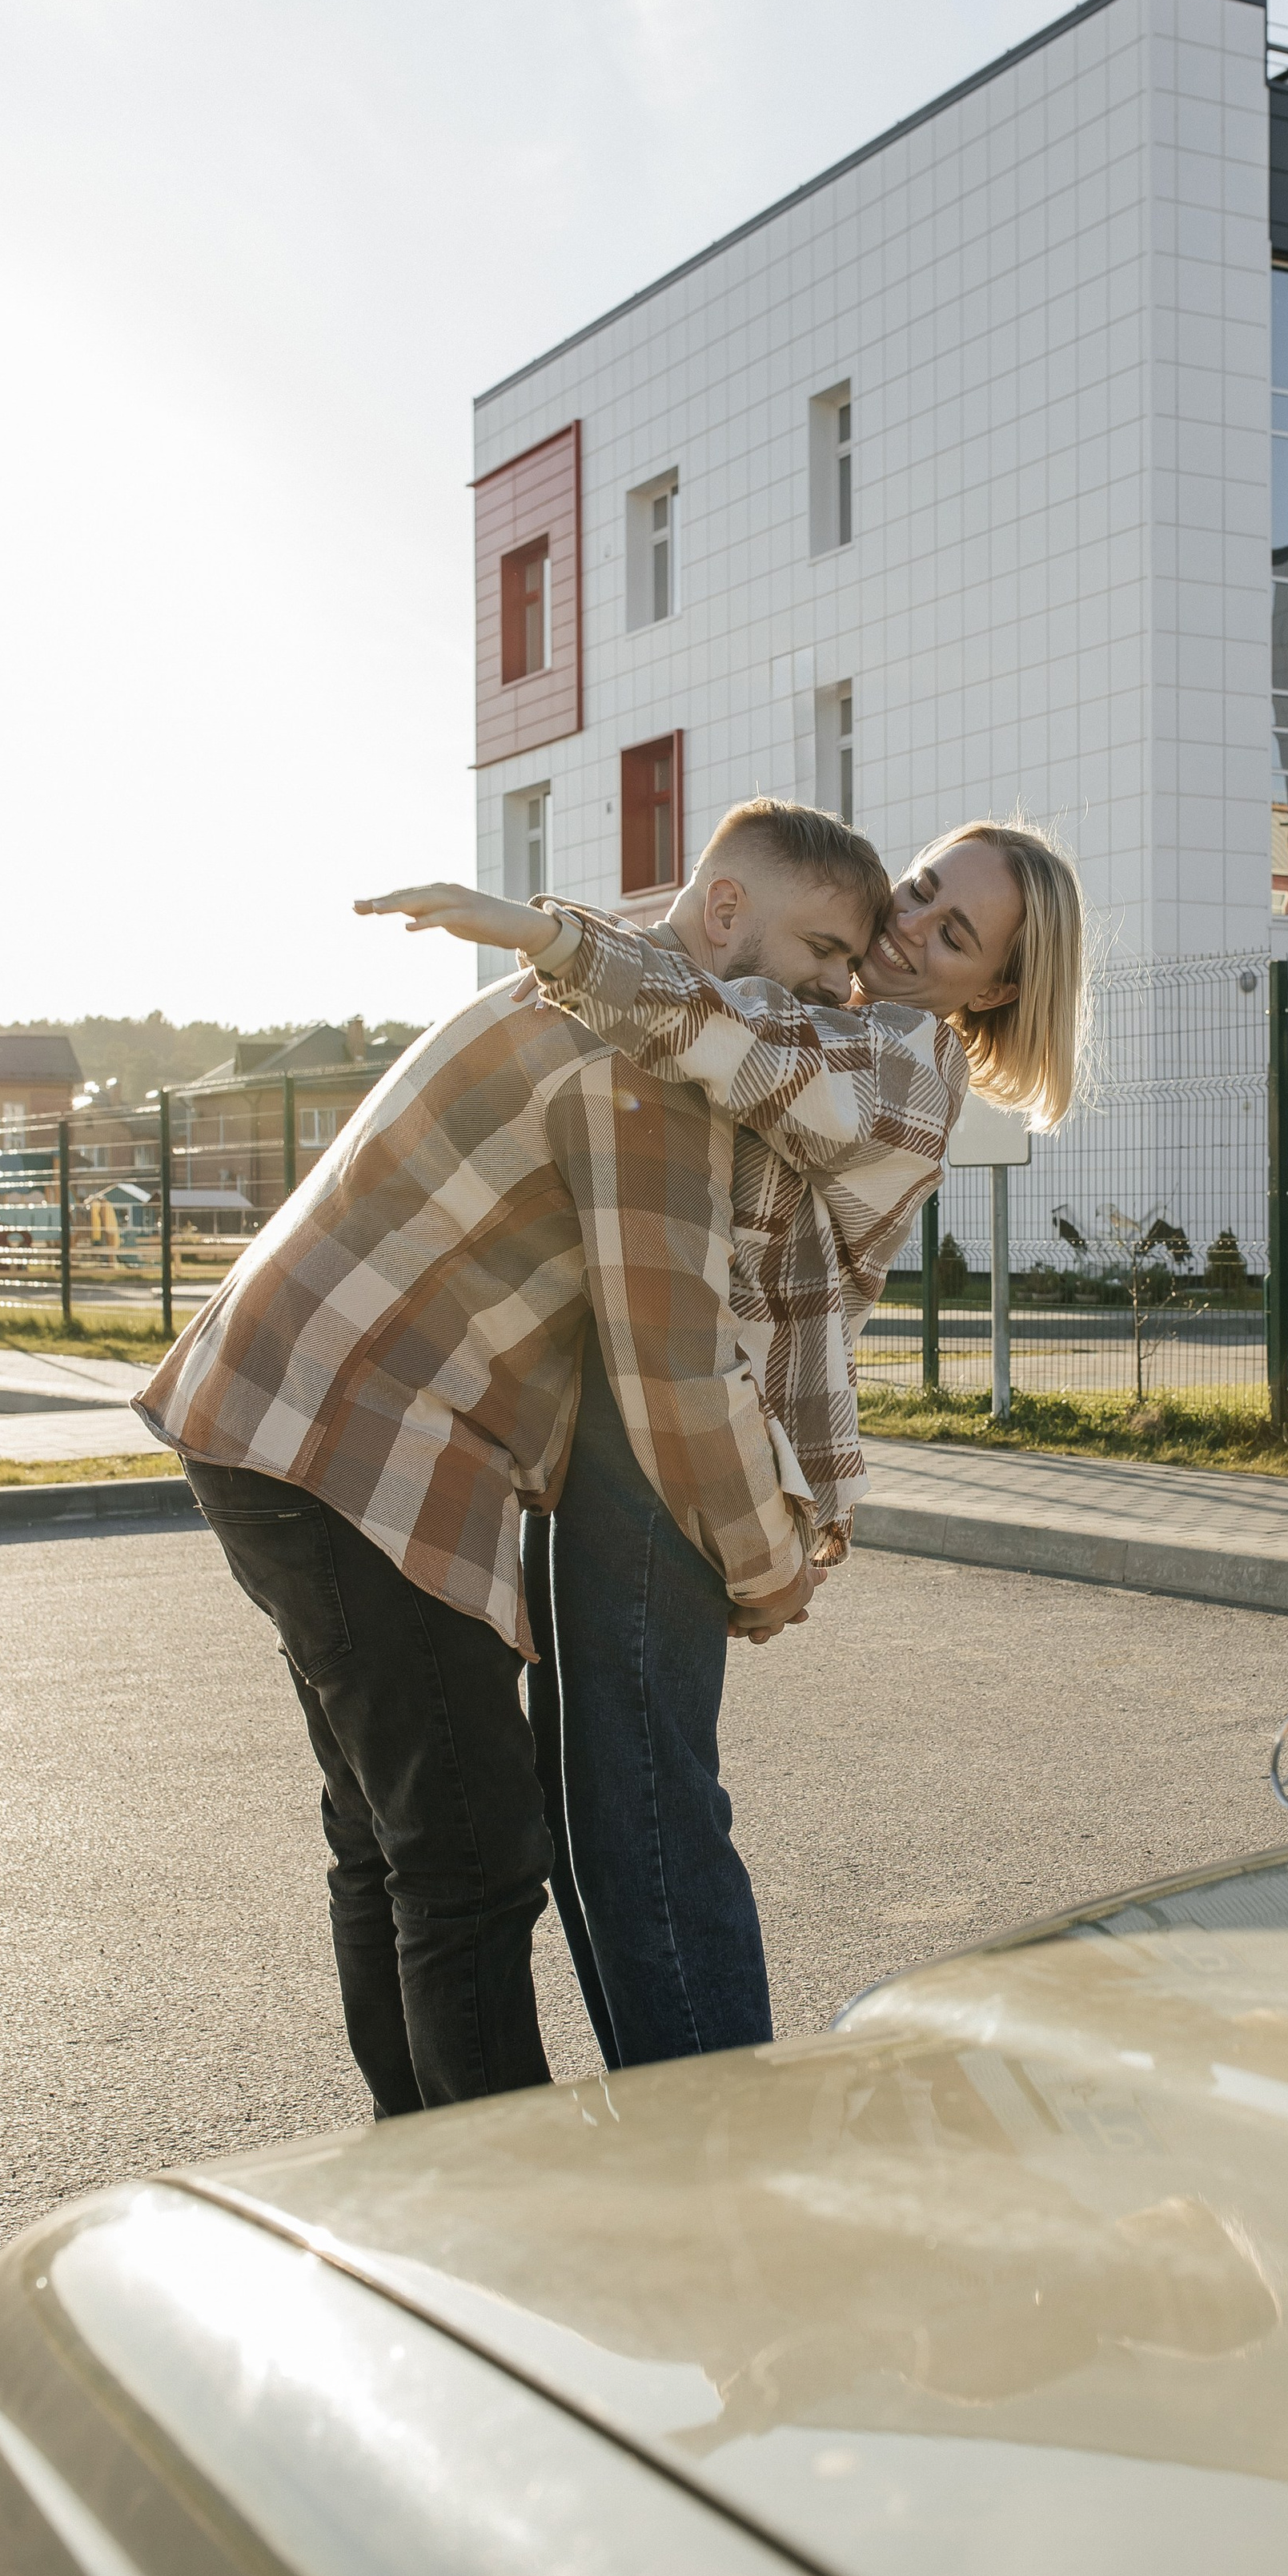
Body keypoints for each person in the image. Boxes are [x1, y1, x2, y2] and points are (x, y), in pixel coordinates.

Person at [135, 800, 889, 2120]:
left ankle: (415, 2168)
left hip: (270, 1412)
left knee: (387, 1843)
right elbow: (675, 1371)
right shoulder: (647, 1070)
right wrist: (772, 1565)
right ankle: (495, 2213)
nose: (838, 988)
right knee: (471, 1860)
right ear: (724, 912)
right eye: (823, 947)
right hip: (353, 1445)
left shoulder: (587, 992)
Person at [359, 817, 1087, 2072]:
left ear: (999, 989)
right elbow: (705, 974)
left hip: (692, 1431)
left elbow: (738, 1043)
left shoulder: (907, 1062)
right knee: (600, 1798)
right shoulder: (821, 1000)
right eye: (917, 893)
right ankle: (676, 2107)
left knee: (642, 1803)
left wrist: (547, 938)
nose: (910, 930)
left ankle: (717, 2118)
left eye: (953, 933)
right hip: (627, 1412)